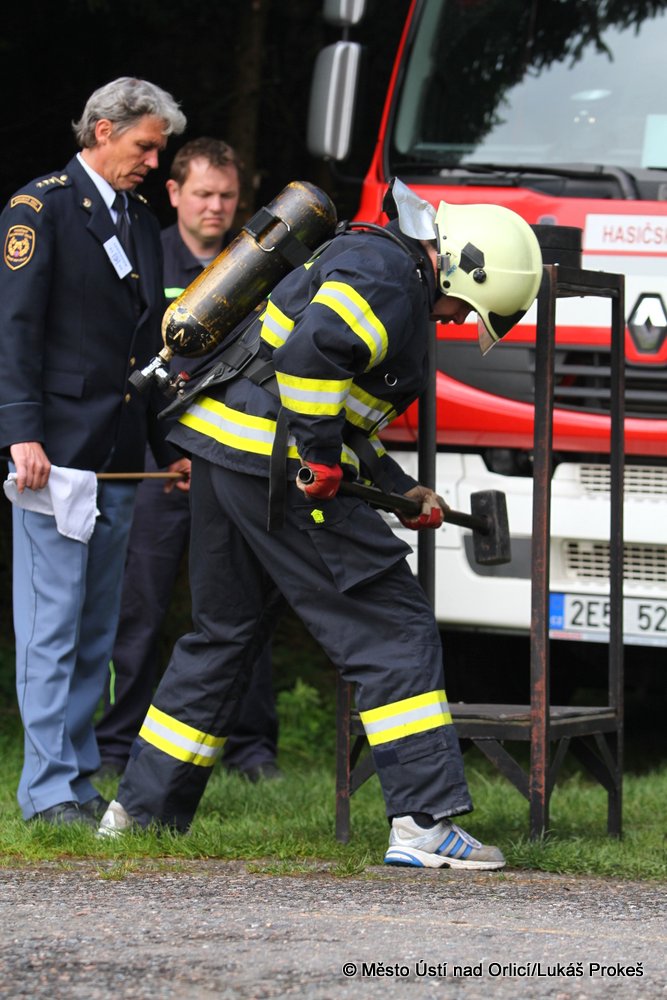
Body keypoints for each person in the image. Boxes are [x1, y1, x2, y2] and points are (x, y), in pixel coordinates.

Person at [99, 178, 543, 870]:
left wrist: (398, 488)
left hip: (225, 457)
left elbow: (331, 403)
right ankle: (423, 825)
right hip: (275, 469)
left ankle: (137, 814)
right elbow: (310, 359)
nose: (459, 320)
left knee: (222, 636)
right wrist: (318, 458)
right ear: (465, 267)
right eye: (468, 308)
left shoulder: (371, 261)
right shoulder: (391, 279)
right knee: (392, 629)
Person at [0, 77, 187, 827]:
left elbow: (152, 350)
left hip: (119, 454)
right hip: (51, 455)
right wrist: (20, 432)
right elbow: (15, 329)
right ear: (103, 131)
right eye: (145, 146)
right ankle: (46, 791)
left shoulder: (139, 219)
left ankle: (75, 780)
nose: (153, 162)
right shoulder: (37, 209)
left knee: (91, 633)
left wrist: (167, 447)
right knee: (51, 626)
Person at [95, 138, 280, 783]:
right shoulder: (146, 257)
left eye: (227, 195)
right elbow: (128, 365)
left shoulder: (259, 267)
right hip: (160, 467)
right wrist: (165, 454)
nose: (215, 207)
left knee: (241, 607)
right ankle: (115, 745)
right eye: (203, 193)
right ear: (174, 192)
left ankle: (253, 750)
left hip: (232, 464)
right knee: (138, 611)